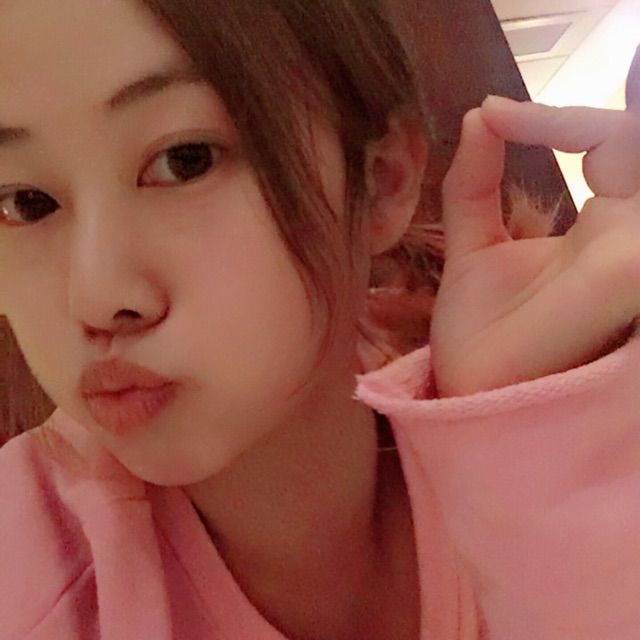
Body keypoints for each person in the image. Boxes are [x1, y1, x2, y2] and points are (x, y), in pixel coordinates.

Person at [1, 1, 639, 638]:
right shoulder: (27, 568)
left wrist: (525, 443)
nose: (96, 298)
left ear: (382, 180)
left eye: (185, 160)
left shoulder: (568, 410)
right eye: (25, 203)